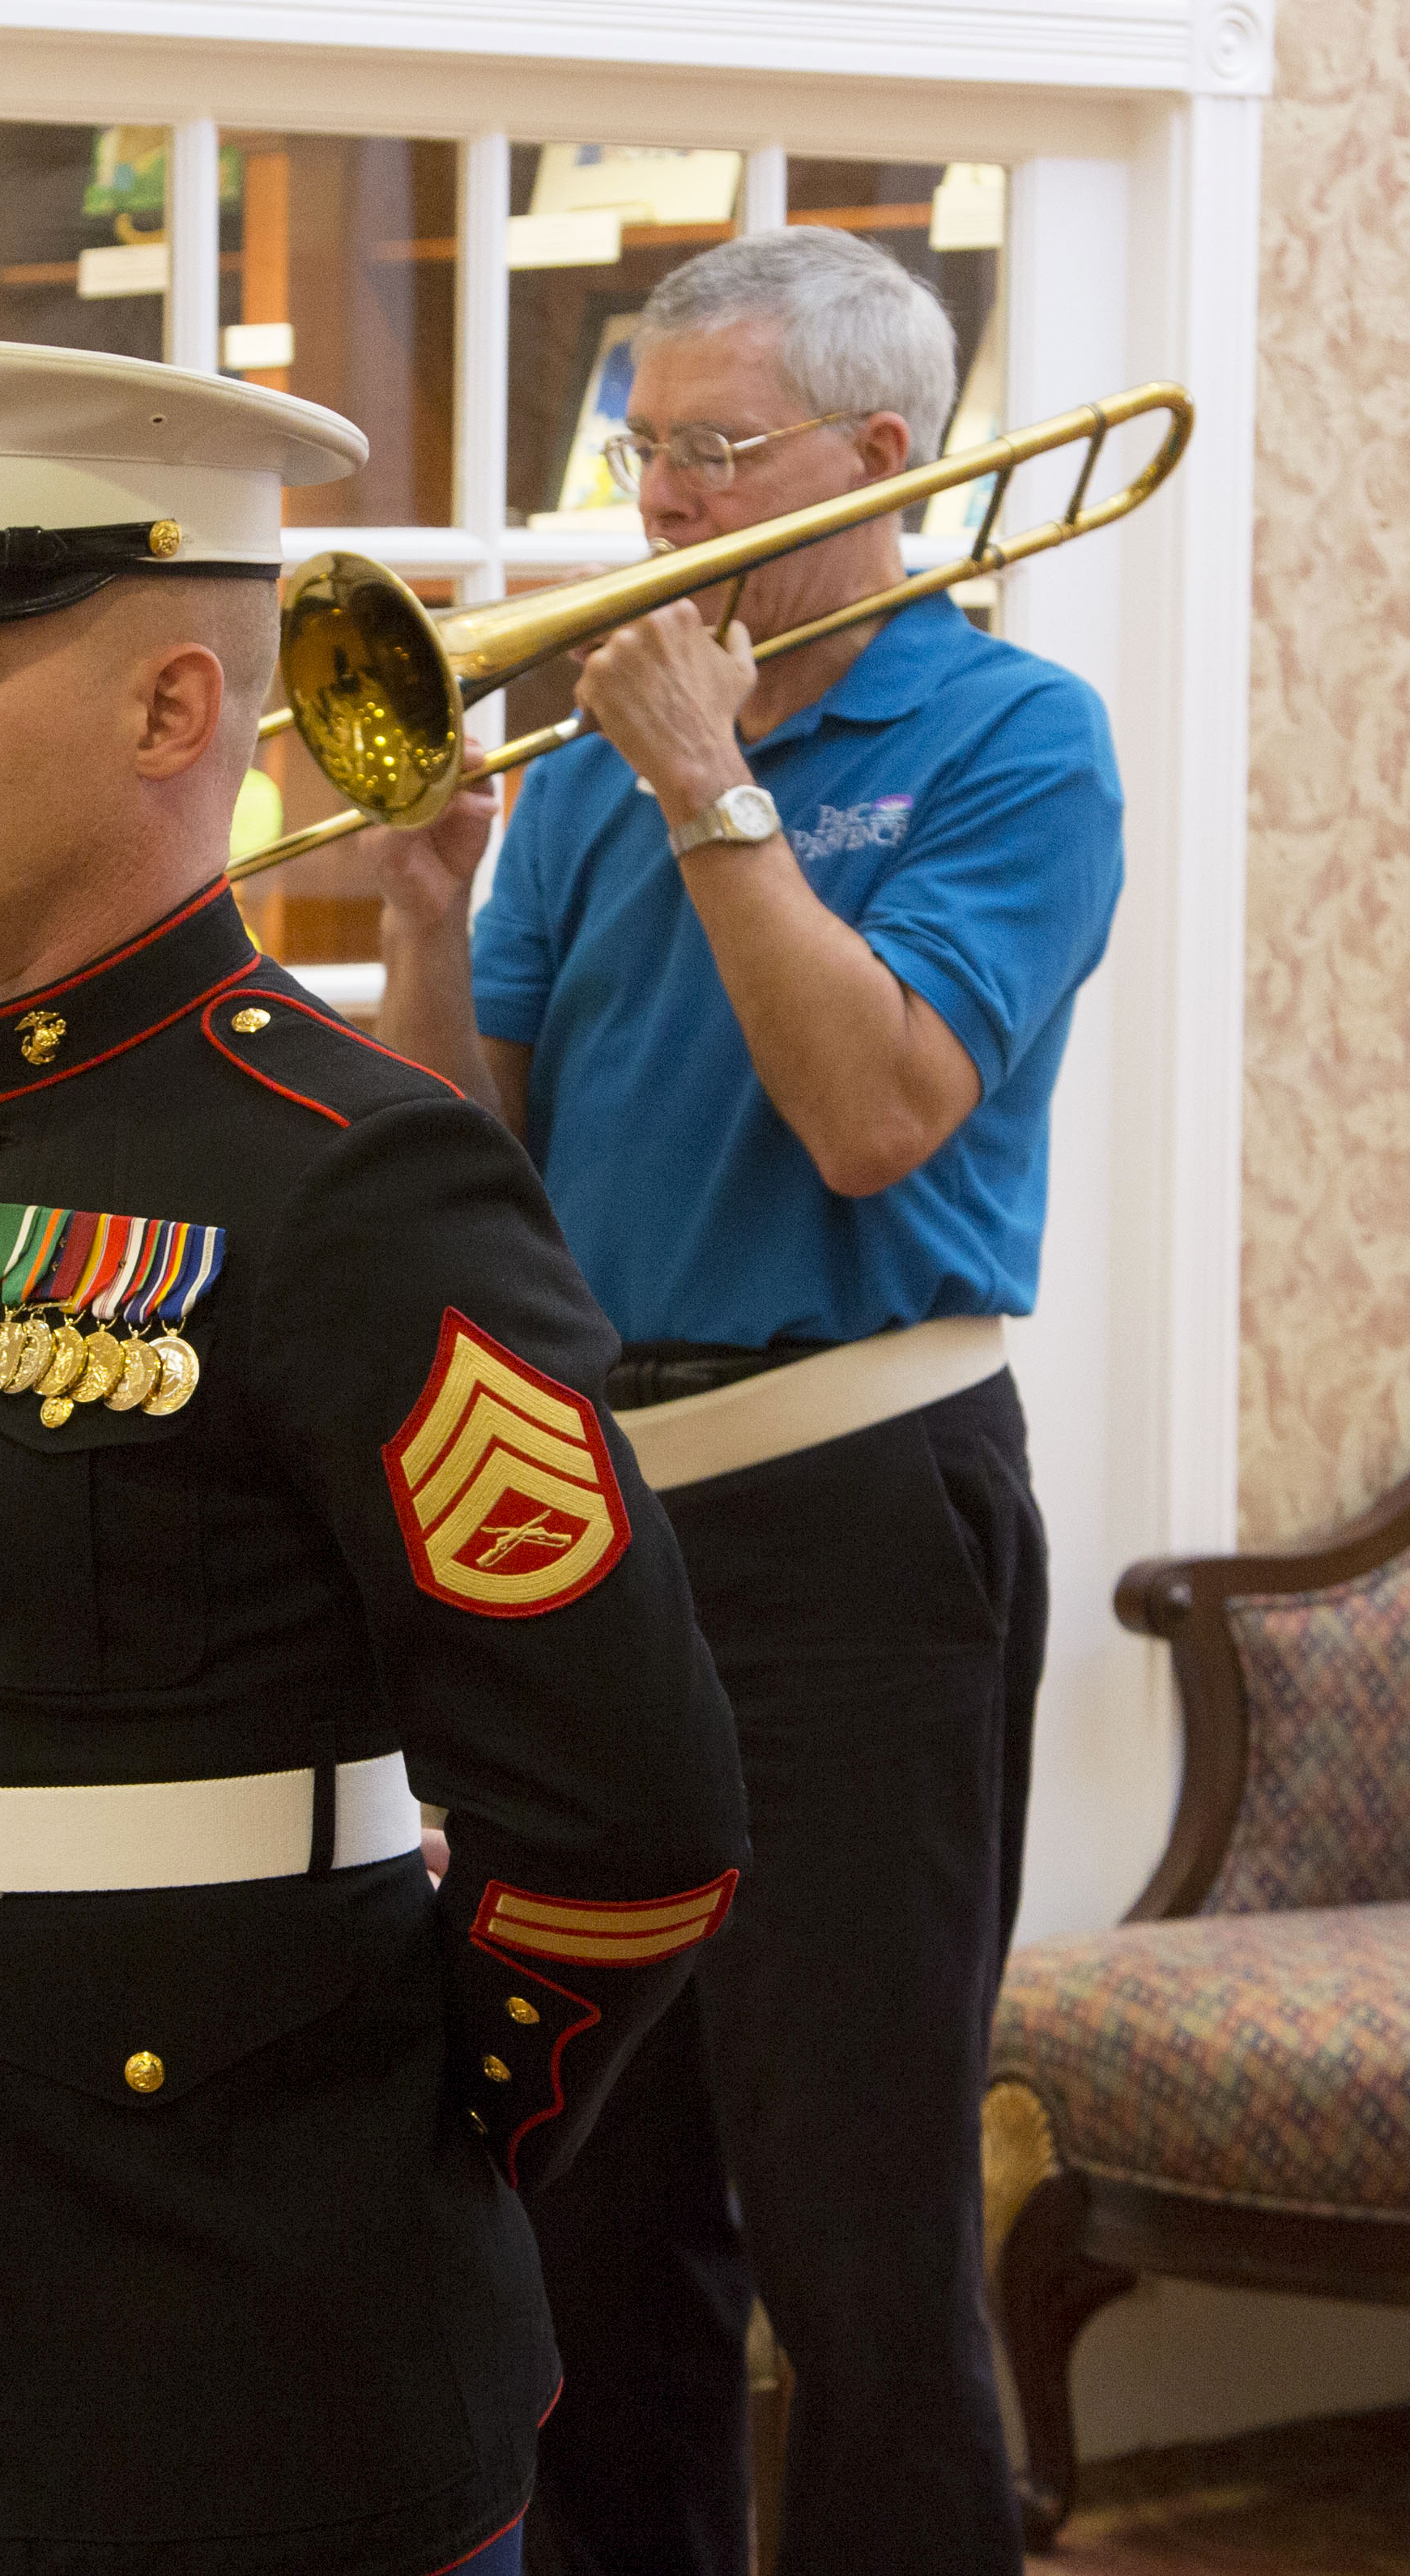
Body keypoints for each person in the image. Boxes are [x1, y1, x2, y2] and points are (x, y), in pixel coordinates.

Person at [0, 338, 750, 2576]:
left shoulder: (352, 1178)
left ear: (172, 715)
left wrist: (382, 2128)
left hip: (250, 2338)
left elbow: (628, 1816)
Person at [370, 227, 1125, 2576]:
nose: (658, 504)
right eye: (644, 450)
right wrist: (417, 906)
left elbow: (871, 1111)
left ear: (881, 459)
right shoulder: (596, 777)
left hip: (854, 1511)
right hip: (603, 1516)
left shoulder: (1013, 738)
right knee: (587, 2212)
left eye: (713, 451)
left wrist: (712, 786)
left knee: (854, 2216)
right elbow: (463, 1177)